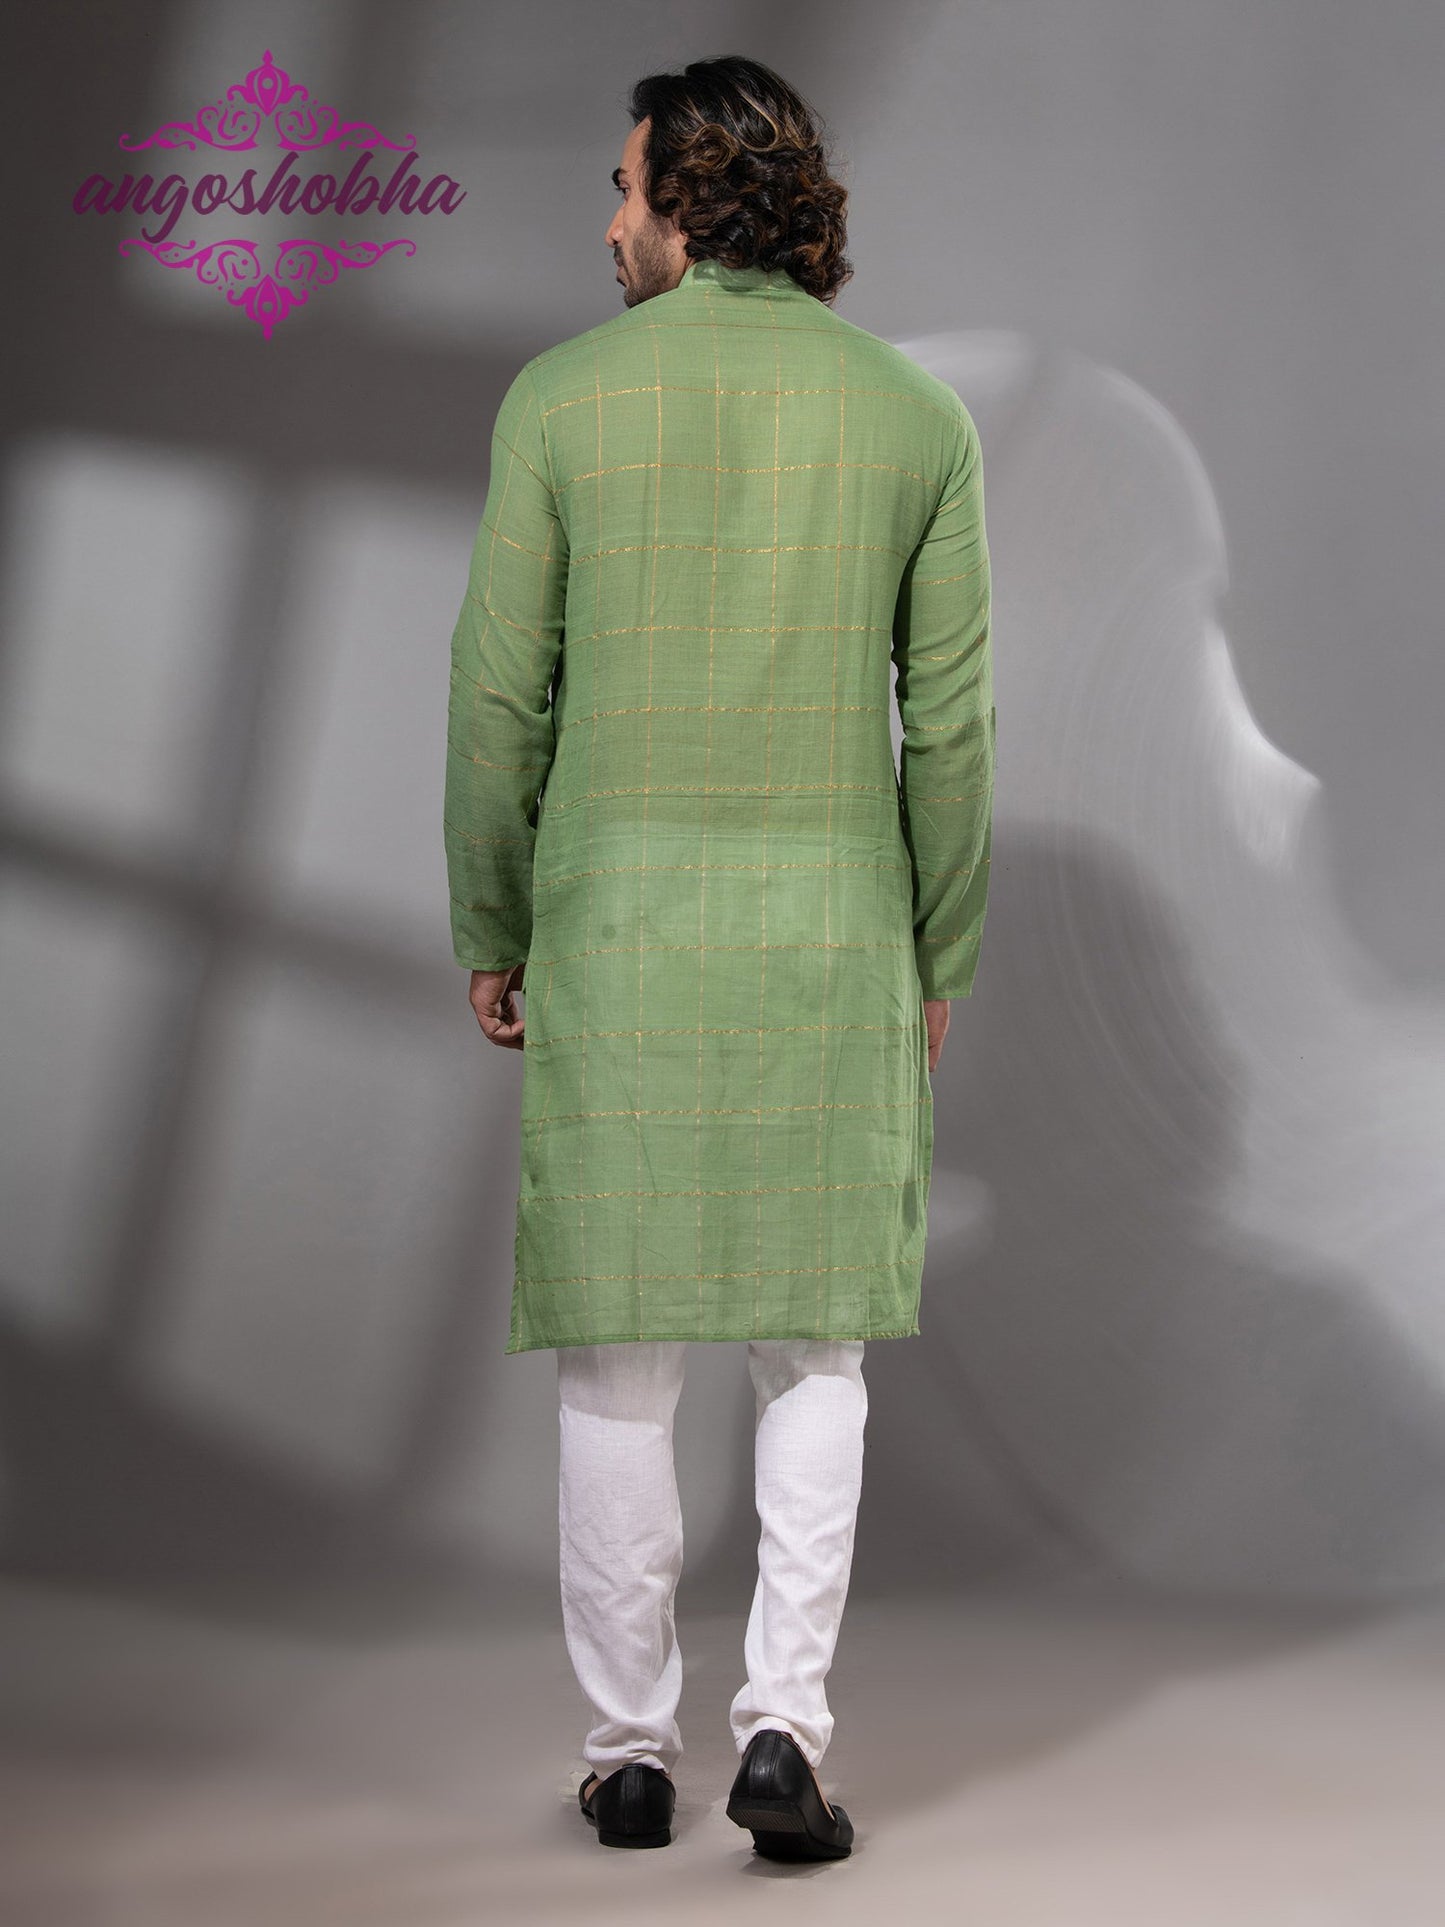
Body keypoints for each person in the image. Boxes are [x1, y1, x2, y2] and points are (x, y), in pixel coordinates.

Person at [443, 54, 994, 1860]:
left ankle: (625, 1756)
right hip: (831, 936)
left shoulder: (560, 403)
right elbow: (953, 729)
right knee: (813, 1349)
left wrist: (494, 919)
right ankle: (780, 1739)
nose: (608, 224)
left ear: (690, 201)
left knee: (616, 1352)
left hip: (617, 930)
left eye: (623, 190)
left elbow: (499, 700)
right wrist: (936, 947)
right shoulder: (914, 418)